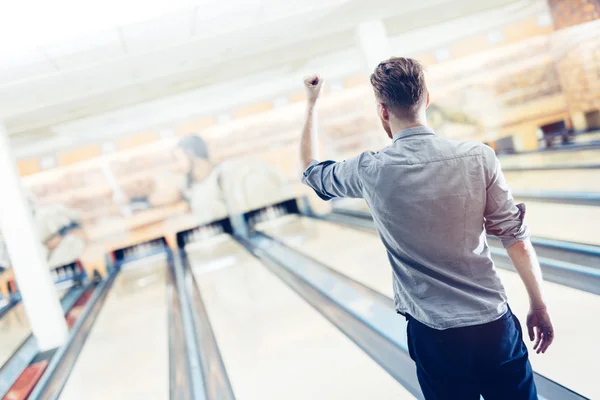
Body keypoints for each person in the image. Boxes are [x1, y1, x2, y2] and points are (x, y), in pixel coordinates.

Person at [299, 57, 553, 399]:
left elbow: (310, 171)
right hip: (494, 325)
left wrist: (312, 104)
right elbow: (515, 239)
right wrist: (539, 305)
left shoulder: (369, 170)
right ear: (427, 99)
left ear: (383, 111)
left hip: (435, 336)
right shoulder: (479, 157)